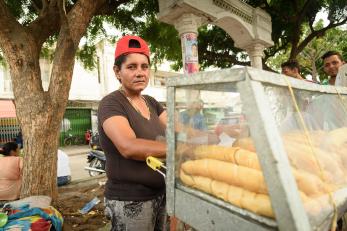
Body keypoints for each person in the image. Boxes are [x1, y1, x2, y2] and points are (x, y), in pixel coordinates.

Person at [98, 35, 167, 231]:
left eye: (144, 67)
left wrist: (207, 136)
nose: (140, 73)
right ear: (117, 71)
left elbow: (176, 129)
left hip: (161, 194)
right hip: (130, 200)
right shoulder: (111, 103)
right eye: (132, 67)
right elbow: (128, 146)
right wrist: (180, 148)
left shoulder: (152, 102)